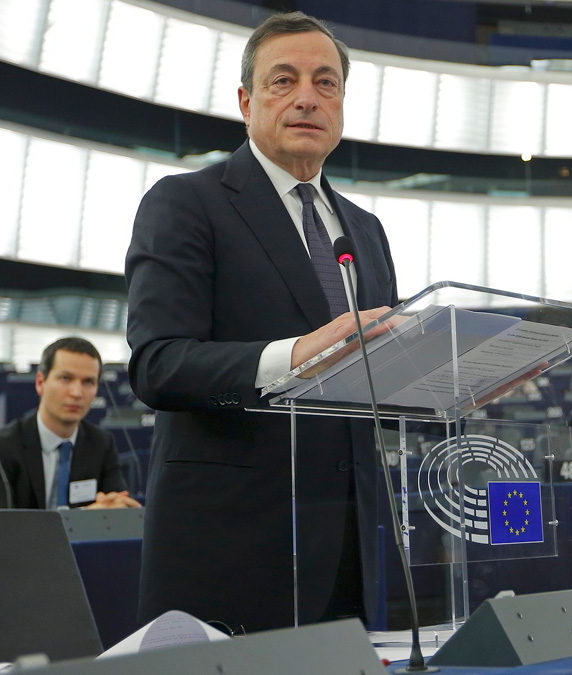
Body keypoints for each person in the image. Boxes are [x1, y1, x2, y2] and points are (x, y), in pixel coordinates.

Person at [125, 12, 398, 633]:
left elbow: (375, 383)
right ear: (247, 102)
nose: (307, 97)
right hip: (228, 553)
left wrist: (459, 379)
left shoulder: (367, 231)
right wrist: (293, 356)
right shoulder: (185, 202)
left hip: (349, 550)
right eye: (284, 80)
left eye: (326, 82)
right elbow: (158, 364)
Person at [0, 338, 141, 510]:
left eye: (88, 382)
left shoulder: (101, 443)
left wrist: (117, 507)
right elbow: (2, 521)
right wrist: (86, 515)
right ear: (40, 383)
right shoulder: (1, 446)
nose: (76, 393)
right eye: (65, 378)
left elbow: (118, 506)